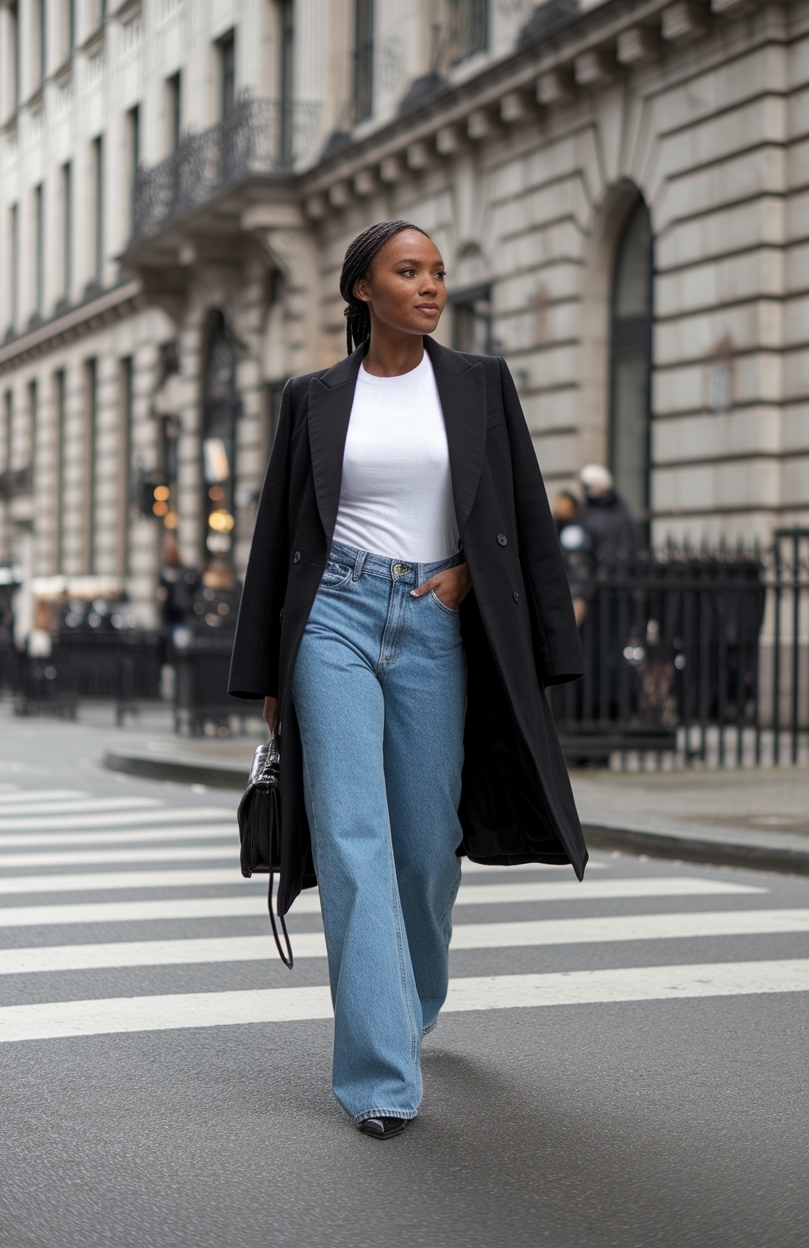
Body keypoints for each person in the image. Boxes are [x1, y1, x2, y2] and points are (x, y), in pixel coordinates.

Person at [229, 219, 586, 1140]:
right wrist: (267, 668)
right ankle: (380, 1075)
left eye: (436, 272)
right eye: (407, 271)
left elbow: (519, 508)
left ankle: (412, 1000)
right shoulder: (312, 397)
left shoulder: (478, 384)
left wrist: (474, 571)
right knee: (353, 840)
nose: (429, 286)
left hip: (434, 621)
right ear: (362, 291)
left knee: (427, 851)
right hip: (334, 619)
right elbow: (279, 535)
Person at [578, 464, 641, 570]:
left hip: (616, 568)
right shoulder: (588, 510)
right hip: (594, 569)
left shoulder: (617, 510)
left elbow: (629, 539)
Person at [552, 490, 594, 625]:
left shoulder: (575, 534)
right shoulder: (555, 529)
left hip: (573, 594)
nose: (559, 510)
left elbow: (580, 568)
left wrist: (580, 595)